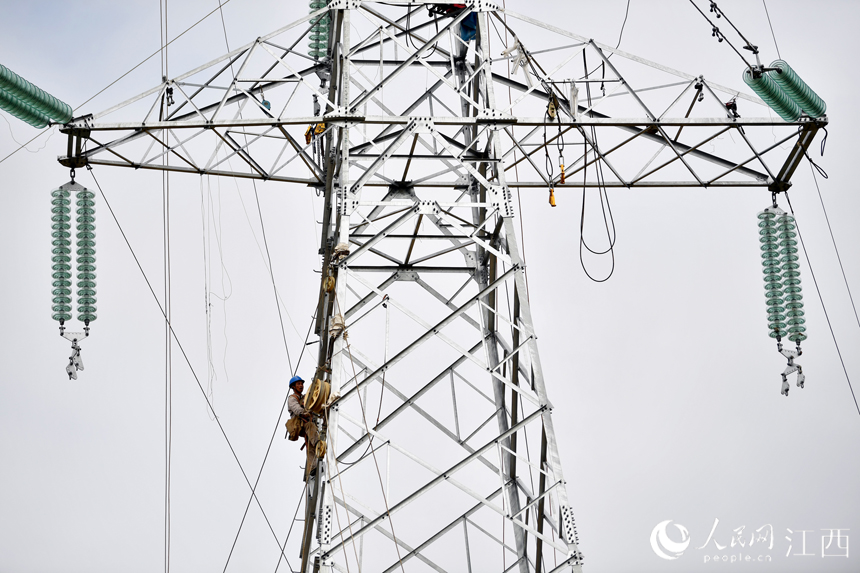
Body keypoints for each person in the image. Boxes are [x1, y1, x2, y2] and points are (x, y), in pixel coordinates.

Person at [287, 375, 320, 479]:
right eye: (298, 384)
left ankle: (312, 468)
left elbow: (313, 398)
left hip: (307, 425)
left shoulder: (304, 397)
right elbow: (297, 410)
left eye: (301, 384)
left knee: (310, 445)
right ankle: (318, 444)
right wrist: (306, 413)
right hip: (299, 425)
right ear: (293, 386)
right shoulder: (292, 399)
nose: (301, 385)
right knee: (310, 427)